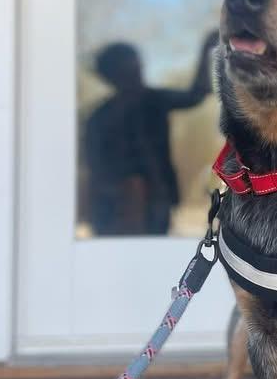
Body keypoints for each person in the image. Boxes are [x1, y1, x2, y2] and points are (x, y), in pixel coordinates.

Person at [85, 32, 217, 236]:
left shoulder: (153, 100)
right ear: (114, 75)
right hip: (118, 210)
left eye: (138, 67)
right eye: (130, 69)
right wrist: (124, 194)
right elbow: (95, 167)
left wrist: (207, 49)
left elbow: (196, 95)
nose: (138, 73)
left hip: (158, 200)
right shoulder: (100, 119)